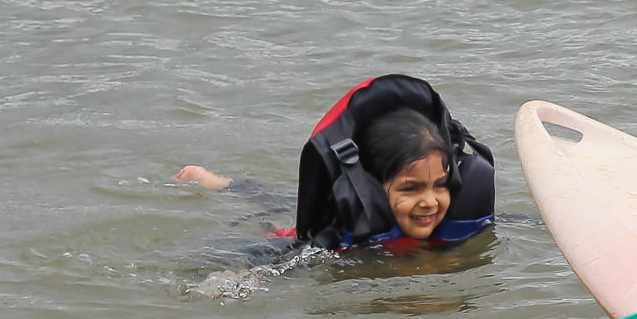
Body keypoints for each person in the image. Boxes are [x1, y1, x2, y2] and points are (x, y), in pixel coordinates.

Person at [176, 74, 502, 252]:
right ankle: (216, 182)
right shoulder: (334, 240)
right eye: (410, 188)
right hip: (294, 230)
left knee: (281, 198)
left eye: (440, 185)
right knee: (274, 205)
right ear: (372, 187)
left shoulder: (465, 219)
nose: (430, 202)